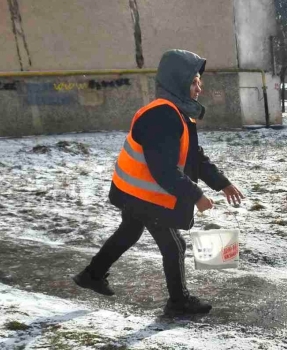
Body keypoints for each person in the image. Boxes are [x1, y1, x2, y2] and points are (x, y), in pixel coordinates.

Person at [73, 49, 244, 316]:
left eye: (199, 81)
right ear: (177, 82)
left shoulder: (179, 113)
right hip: (144, 195)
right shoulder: (162, 115)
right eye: (194, 81)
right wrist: (196, 195)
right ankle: (179, 302)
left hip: (134, 191)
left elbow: (193, 157)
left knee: (130, 232)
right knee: (174, 244)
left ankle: (92, 274)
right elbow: (163, 170)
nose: (200, 87)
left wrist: (222, 183)